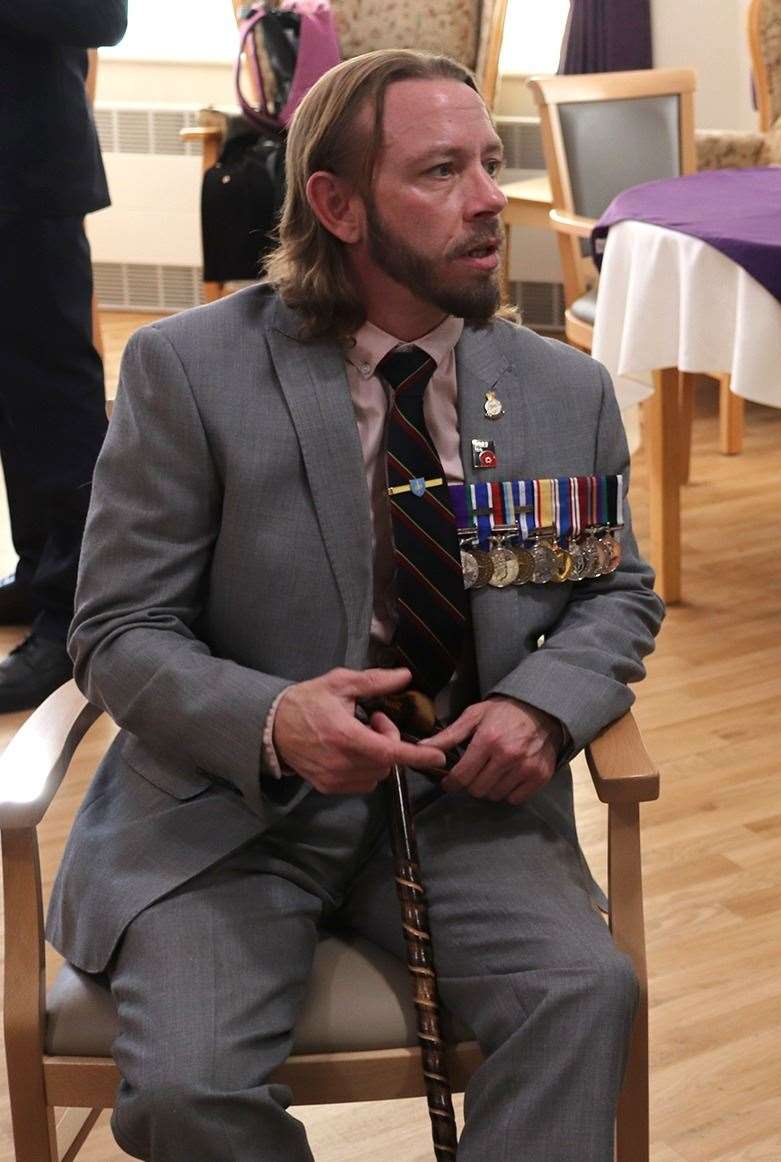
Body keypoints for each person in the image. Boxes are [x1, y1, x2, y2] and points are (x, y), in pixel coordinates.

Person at [50, 50, 664, 1160]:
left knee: (586, 996)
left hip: (463, 807)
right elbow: (116, 630)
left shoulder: (560, 389)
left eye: (490, 163)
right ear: (335, 204)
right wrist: (275, 719)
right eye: (440, 172)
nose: (489, 199)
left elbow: (615, 585)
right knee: (185, 1091)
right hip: (223, 817)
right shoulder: (189, 372)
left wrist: (540, 708)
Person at [0, 2, 123, 710]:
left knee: (55, 404)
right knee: (10, 404)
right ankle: (38, 568)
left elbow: (101, 15)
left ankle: (77, 610)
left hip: (24, 166)